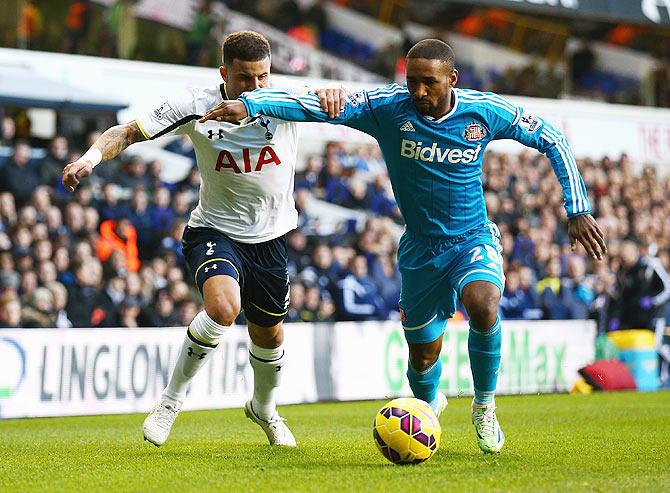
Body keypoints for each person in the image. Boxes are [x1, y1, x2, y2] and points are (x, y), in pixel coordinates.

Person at [200, 38, 608, 454]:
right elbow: (318, 107)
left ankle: (484, 406)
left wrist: (577, 208)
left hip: (472, 238)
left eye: (429, 83)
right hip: (420, 251)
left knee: (484, 304)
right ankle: (428, 404)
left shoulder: (483, 111)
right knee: (423, 356)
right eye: (412, 82)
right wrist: (254, 105)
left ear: (452, 78)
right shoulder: (388, 106)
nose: (419, 93)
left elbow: (552, 138)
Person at [62, 30, 344, 448]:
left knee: (269, 335)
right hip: (214, 229)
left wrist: (336, 94)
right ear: (223, 73)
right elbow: (127, 132)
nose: (255, 87)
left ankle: (265, 410)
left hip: (271, 238)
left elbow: (347, 104)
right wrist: (89, 159)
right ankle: (171, 402)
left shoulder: (286, 100)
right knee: (223, 308)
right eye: (245, 78)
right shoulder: (194, 105)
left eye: (263, 77)